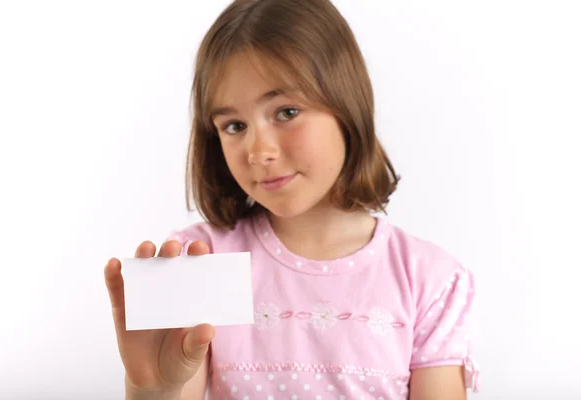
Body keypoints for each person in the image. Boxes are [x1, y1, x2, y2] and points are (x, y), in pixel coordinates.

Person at [104, 0, 481, 398]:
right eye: (234, 125)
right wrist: (154, 388)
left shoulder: (430, 280)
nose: (259, 151)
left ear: (347, 105)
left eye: (286, 112)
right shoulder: (201, 259)